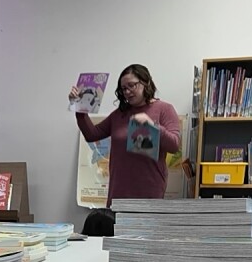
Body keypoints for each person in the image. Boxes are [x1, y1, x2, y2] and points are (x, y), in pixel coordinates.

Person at [70, 64, 181, 204]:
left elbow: (174, 145)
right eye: (124, 89)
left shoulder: (164, 109)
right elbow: (92, 134)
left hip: (149, 194)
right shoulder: (120, 114)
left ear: (145, 82)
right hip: (118, 194)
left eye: (132, 85)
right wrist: (79, 108)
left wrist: (152, 126)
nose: (127, 92)